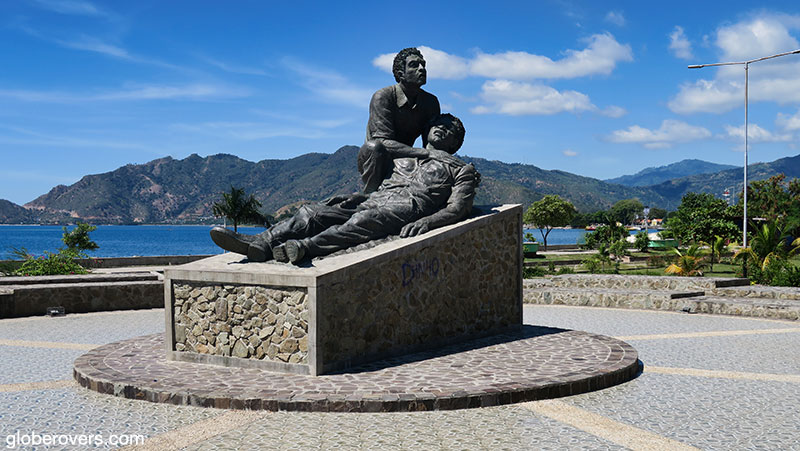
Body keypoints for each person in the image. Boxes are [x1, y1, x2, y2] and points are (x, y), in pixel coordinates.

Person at [210, 114, 479, 264]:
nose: (443, 130)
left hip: (406, 209)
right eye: (439, 124)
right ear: (428, 128)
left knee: (363, 220)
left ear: (456, 143)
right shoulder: (403, 156)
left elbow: (458, 208)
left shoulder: (462, 169)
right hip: (375, 200)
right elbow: (373, 155)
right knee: (313, 213)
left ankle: (304, 247)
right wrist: (358, 195)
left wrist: (429, 222)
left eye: (451, 131)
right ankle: (262, 242)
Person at [358, 47, 441, 193]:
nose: (422, 69)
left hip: (408, 159)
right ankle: (369, 194)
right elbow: (383, 142)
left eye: (423, 65)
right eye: (414, 65)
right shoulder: (383, 97)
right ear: (400, 74)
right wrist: (425, 153)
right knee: (374, 147)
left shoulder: (431, 102)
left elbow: (431, 146)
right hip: (377, 161)